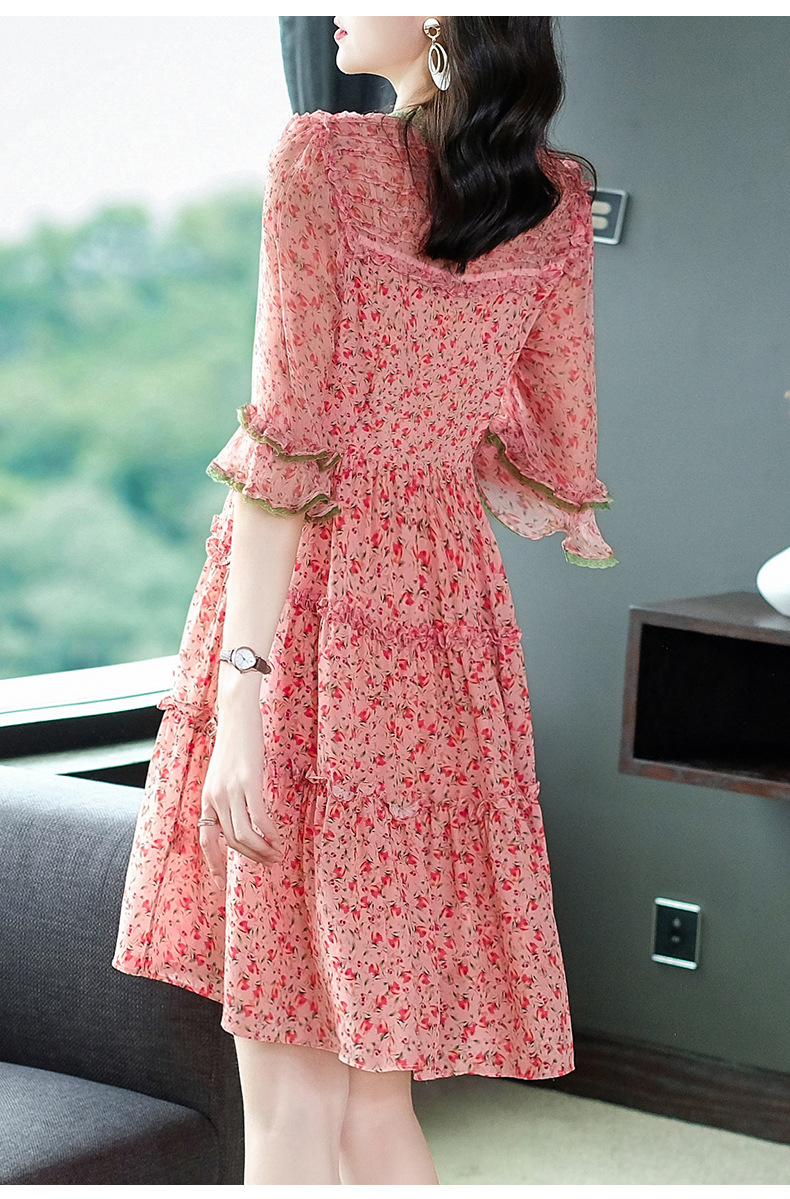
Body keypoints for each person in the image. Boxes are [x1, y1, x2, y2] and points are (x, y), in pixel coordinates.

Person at [113, 14, 615, 1186]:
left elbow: (286, 449)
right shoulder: (555, 196)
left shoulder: (324, 160)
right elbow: (547, 440)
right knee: (371, 1103)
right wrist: (428, 422)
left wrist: (241, 714)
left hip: (305, 614)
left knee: (289, 1105)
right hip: (443, 625)